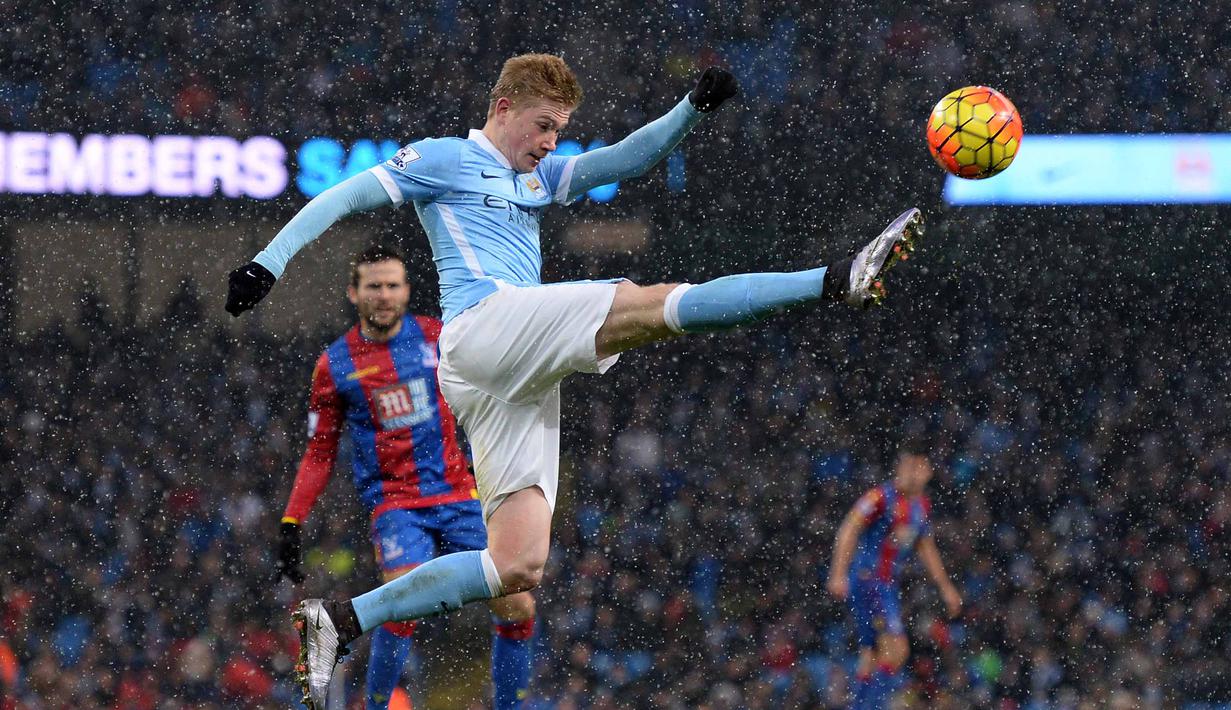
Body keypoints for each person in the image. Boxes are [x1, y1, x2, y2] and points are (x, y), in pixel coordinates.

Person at [224, 53, 923, 708]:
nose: (550, 143)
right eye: (543, 127)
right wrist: (267, 262)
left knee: (516, 567)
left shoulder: (541, 176)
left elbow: (627, 157)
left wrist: (691, 109)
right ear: (503, 108)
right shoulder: (443, 158)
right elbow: (341, 198)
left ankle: (341, 620)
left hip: (504, 374)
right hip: (482, 327)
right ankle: (835, 278)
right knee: (651, 305)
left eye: (559, 131)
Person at [276, 244, 536, 709]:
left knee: (518, 604)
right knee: (406, 596)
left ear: (407, 290)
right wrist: (292, 521)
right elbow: (319, 452)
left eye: (392, 285)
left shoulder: (440, 336)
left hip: (459, 495)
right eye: (373, 286)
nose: (384, 295)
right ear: (353, 293)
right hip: (396, 504)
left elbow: (494, 383)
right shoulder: (335, 365)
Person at [826, 440, 962, 709]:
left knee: (872, 654)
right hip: (869, 580)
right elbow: (849, 528)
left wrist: (946, 587)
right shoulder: (880, 498)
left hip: (887, 585)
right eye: (908, 466)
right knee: (897, 650)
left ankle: (861, 706)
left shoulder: (920, 506)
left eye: (918, 467)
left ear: (928, 472)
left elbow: (927, 547)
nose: (911, 473)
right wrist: (838, 572)